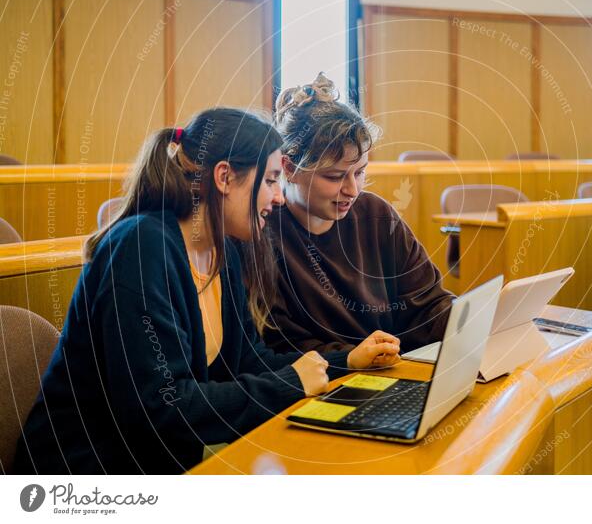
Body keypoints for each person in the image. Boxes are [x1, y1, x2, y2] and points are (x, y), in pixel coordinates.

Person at [14, 108, 399, 475]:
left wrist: (345, 363)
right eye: (268, 181)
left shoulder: (222, 249)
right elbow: (162, 406)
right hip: (85, 475)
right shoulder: (141, 249)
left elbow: (248, 360)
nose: (278, 197)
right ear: (225, 178)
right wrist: (290, 384)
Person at [266, 73, 454, 354]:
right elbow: (280, 344)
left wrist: (470, 320)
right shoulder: (263, 231)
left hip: (389, 370)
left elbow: (426, 303)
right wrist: (351, 357)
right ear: (290, 168)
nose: (352, 190)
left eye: (360, 172)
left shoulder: (376, 214)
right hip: (322, 385)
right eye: (335, 176)